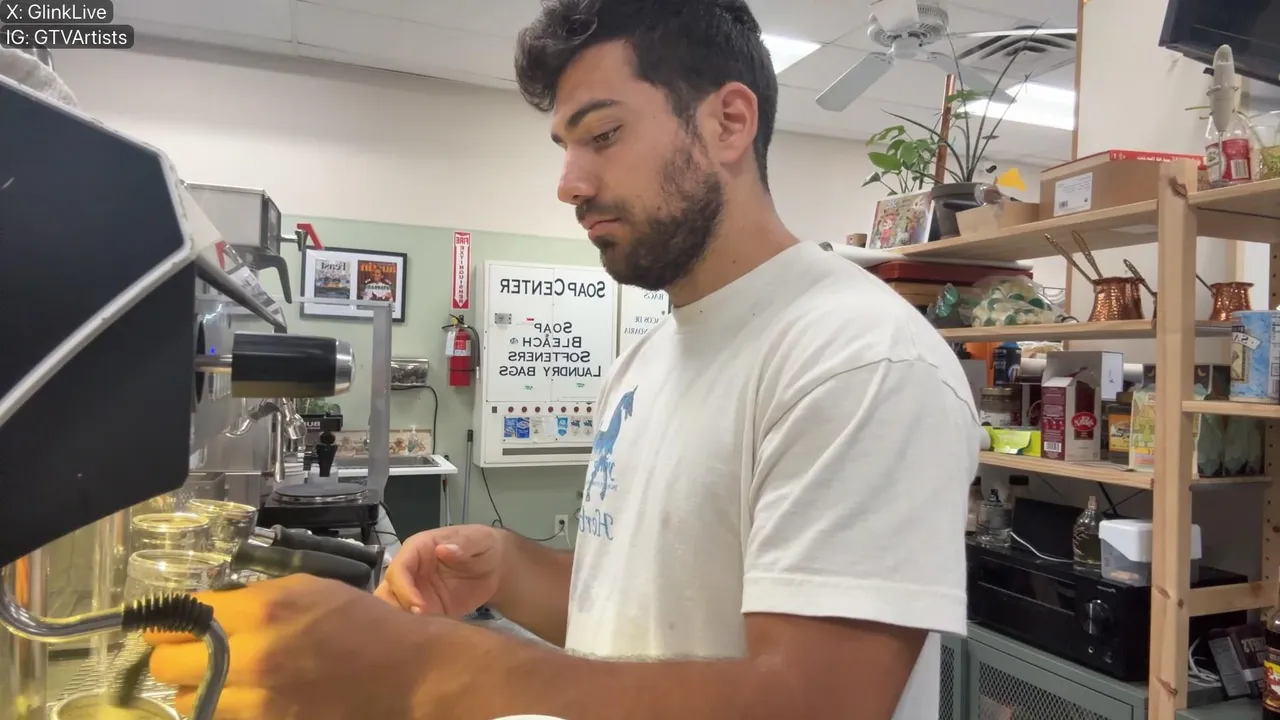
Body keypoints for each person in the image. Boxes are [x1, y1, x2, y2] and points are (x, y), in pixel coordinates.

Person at [147, 1, 979, 717]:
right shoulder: (648, 359)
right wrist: (507, 567)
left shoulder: (858, 359)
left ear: (729, 122)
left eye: (604, 135)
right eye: (564, 146)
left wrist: (432, 672)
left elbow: (819, 703)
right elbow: (634, 608)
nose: (569, 183)